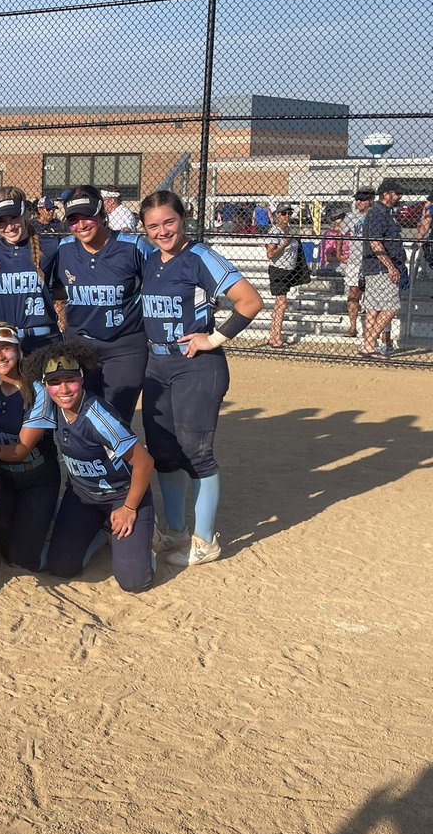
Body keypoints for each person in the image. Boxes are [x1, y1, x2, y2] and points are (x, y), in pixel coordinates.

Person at [138, 190, 263, 567]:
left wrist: (213, 338)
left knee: (196, 453)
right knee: (164, 453)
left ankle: (205, 539)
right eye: (153, 226)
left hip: (195, 366)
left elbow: (250, 301)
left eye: (169, 222)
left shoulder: (200, 256)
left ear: (184, 218)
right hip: (156, 367)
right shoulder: (149, 259)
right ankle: (174, 530)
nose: (162, 231)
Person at [28, 342, 155, 593]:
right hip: (83, 496)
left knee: (134, 582)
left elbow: (144, 462)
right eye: (54, 382)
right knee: (62, 567)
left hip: (121, 495)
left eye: (71, 380)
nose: (63, 389)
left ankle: (143, 537)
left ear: (83, 379)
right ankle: (102, 532)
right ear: (45, 385)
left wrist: (129, 508)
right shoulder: (51, 406)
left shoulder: (98, 416)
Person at [49, 185, 154, 425]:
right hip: (80, 345)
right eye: (73, 219)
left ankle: (120, 463)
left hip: (125, 346)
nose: (81, 225)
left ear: (102, 214)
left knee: (115, 419)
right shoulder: (64, 249)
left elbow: (163, 275)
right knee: (82, 414)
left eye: (88, 216)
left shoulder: (133, 246)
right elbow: (53, 287)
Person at [0, 323, 59, 570]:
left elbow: (22, 449)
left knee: (24, 558)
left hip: (37, 477)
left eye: (6, 348)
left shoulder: (38, 389)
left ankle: (85, 533)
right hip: (4, 478)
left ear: (18, 349)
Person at [0, 186, 61, 354]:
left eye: (14, 217)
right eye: (1, 221)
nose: (9, 226)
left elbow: (66, 288)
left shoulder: (51, 247)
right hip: (4, 342)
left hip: (45, 341)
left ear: (26, 214)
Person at [360, 179, 406, 359]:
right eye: (395, 193)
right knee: (391, 307)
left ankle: (368, 346)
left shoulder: (383, 213)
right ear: (385, 193)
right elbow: (375, 242)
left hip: (375, 267)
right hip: (380, 268)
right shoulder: (379, 213)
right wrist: (390, 267)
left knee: (374, 308)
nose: (398, 197)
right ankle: (369, 343)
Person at [264, 204, 302, 348]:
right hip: (278, 270)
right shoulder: (275, 231)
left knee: (279, 305)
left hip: (288, 270)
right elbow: (270, 254)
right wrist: (284, 245)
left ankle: (273, 336)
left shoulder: (290, 229)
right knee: (282, 304)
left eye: (289, 213)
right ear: (277, 215)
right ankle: (277, 338)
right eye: (284, 213)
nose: (287, 216)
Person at [340, 188, 373, 338]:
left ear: (371, 200)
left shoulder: (376, 216)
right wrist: (340, 254)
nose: (359, 202)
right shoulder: (351, 216)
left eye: (363, 199)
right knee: (353, 294)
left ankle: (371, 330)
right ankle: (353, 327)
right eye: (357, 199)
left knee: (373, 296)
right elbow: (340, 233)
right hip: (354, 261)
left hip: (372, 261)